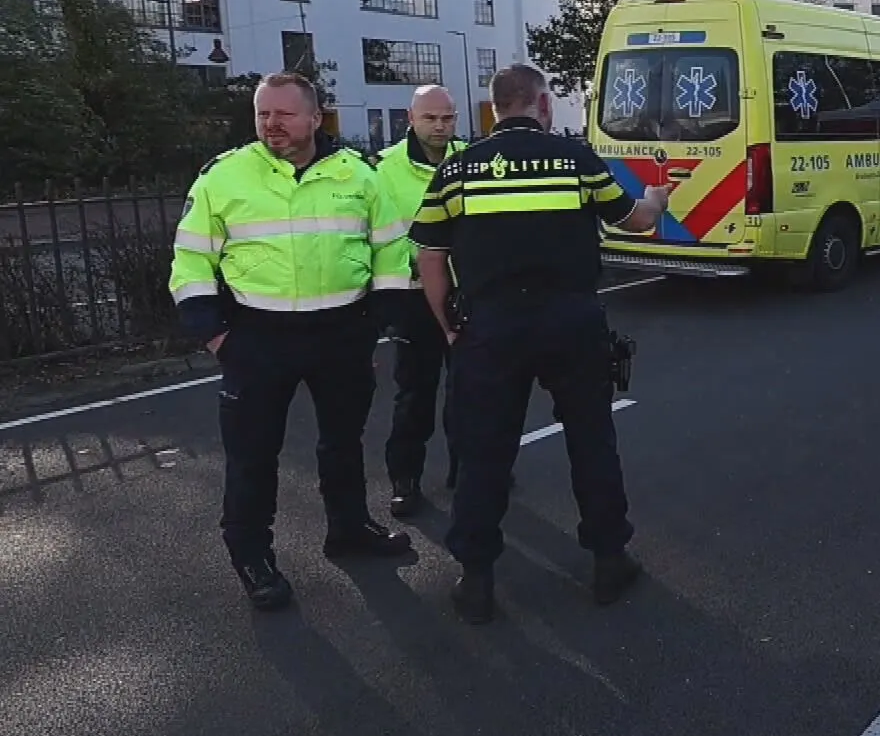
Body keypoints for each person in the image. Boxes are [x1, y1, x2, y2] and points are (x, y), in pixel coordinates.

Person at [410, 64, 673, 624]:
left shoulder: (457, 170)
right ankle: (608, 561)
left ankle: (476, 578)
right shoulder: (575, 161)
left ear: (495, 107)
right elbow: (635, 222)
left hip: (489, 327)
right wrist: (657, 197)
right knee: (591, 440)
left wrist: (449, 326)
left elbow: (429, 255)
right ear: (542, 104)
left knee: (483, 452)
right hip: (570, 321)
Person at [170, 73, 416, 612]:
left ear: (315, 117)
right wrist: (215, 334)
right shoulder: (225, 176)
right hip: (257, 337)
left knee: (343, 442)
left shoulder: (358, 174)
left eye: (284, 113)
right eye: (263, 114)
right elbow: (190, 261)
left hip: (341, 333)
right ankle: (252, 556)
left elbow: (392, 252)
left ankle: (349, 529)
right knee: (252, 455)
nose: (271, 124)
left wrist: (375, 322)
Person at [375, 85, 465, 517]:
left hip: (466, 295)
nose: (440, 126)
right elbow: (375, 233)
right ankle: (404, 478)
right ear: (410, 119)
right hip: (413, 298)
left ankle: (468, 470)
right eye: (430, 118)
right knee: (414, 393)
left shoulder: (473, 160)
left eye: (447, 118)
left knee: (469, 390)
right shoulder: (384, 169)